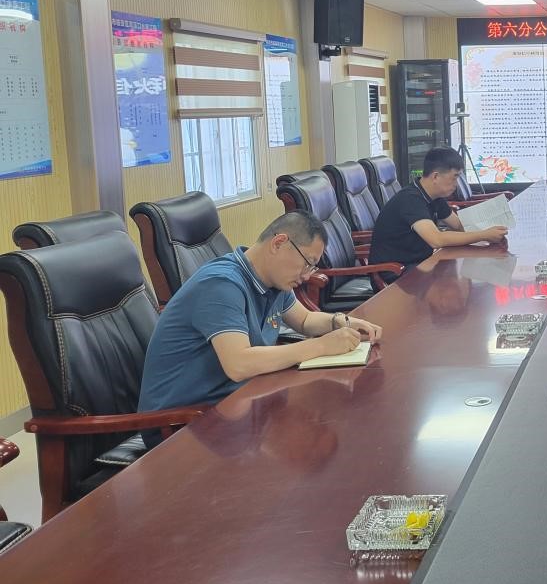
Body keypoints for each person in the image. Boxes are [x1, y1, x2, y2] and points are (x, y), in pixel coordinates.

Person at [138, 210, 383, 444]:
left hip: (232, 405)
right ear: (278, 243)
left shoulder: (273, 280)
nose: (307, 276)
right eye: (307, 263)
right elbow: (238, 365)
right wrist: (320, 346)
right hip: (180, 425)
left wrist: (341, 321)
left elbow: (305, 320)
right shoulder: (221, 285)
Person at [369, 146, 509, 271]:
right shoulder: (410, 199)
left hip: (421, 263)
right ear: (436, 176)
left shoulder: (434, 196)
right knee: (456, 281)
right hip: (396, 272)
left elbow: (459, 225)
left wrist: (492, 228)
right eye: (454, 177)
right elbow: (436, 239)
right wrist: (483, 235)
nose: (456, 184)